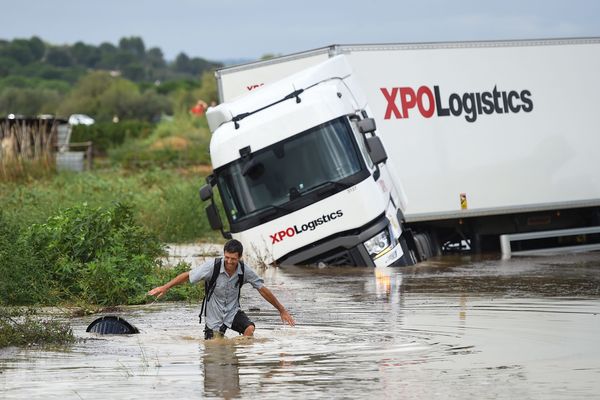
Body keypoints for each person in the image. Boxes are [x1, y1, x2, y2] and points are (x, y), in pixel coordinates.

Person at [147, 239, 295, 339]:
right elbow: (187, 276)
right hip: (214, 317)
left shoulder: (245, 270)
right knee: (215, 349)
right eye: (227, 257)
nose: (230, 262)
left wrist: (281, 309)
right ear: (224, 254)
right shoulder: (212, 266)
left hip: (232, 311)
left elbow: (262, 289)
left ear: (240, 257)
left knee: (249, 329)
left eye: (233, 259)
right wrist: (165, 287)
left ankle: (237, 358)